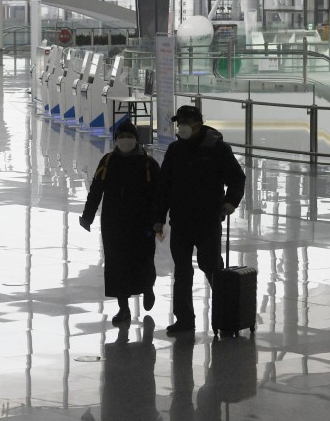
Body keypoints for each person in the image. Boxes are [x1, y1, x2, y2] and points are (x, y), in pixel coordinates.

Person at [152, 105, 245, 334]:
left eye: (185, 121)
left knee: (212, 267)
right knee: (182, 271)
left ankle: (226, 316)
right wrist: (158, 218)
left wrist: (230, 202)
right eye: (179, 121)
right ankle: (185, 319)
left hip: (208, 220)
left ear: (197, 123)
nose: (181, 126)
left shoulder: (217, 149)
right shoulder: (175, 150)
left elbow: (237, 178)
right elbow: (164, 187)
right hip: (181, 220)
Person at [80, 121, 160, 325]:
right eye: (122, 136)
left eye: (129, 136)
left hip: (142, 222)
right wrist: (87, 216)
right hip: (114, 222)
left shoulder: (149, 165)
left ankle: (147, 287)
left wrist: (158, 220)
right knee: (116, 265)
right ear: (116, 139)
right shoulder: (108, 161)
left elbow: (160, 195)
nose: (126, 140)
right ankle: (123, 308)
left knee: (143, 259)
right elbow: (96, 190)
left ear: (136, 140)